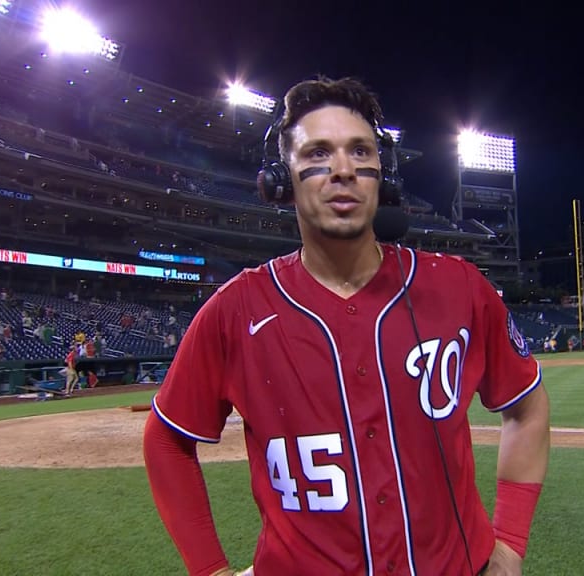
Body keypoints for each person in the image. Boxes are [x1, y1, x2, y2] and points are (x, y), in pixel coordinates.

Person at [144, 77, 551, 576]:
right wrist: (209, 569)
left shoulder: (459, 288)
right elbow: (166, 439)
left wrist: (508, 545)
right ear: (279, 178)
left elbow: (527, 408)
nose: (343, 170)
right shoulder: (236, 311)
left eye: (360, 151)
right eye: (319, 152)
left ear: (384, 176)